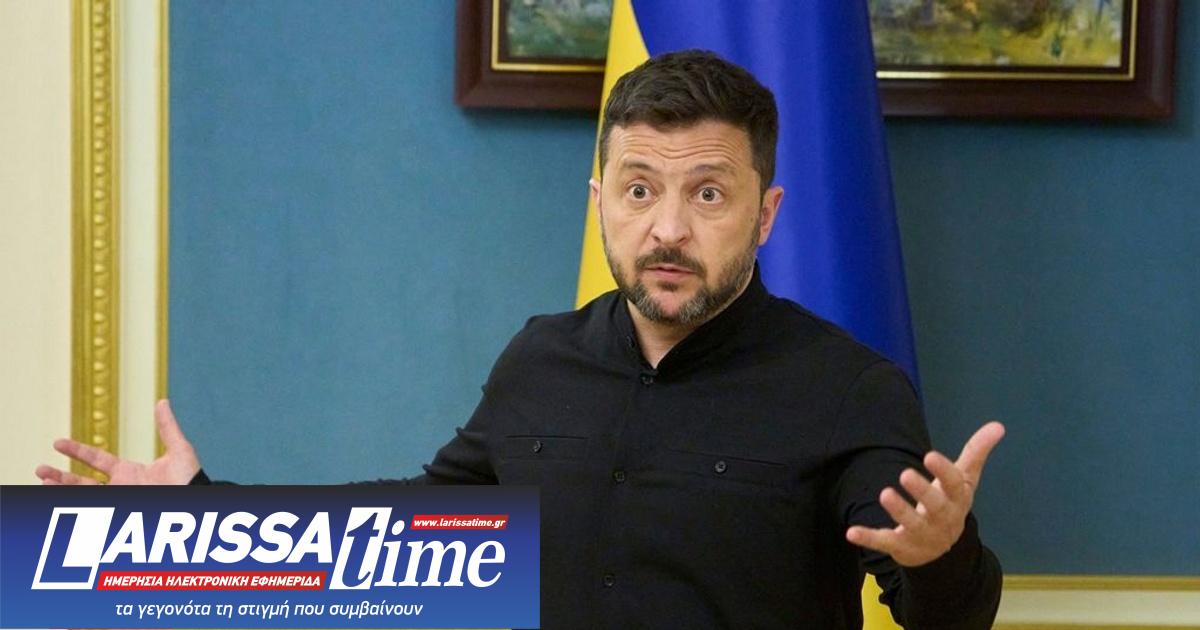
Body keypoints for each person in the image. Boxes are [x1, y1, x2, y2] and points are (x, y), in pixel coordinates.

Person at [38, 50, 1004, 629]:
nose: (667, 228)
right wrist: (194, 516)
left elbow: (948, 615)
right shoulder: (542, 359)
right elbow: (414, 534)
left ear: (767, 214)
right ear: (600, 202)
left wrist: (938, 554)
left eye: (708, 193)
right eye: (639, 190)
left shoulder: (846, 386)